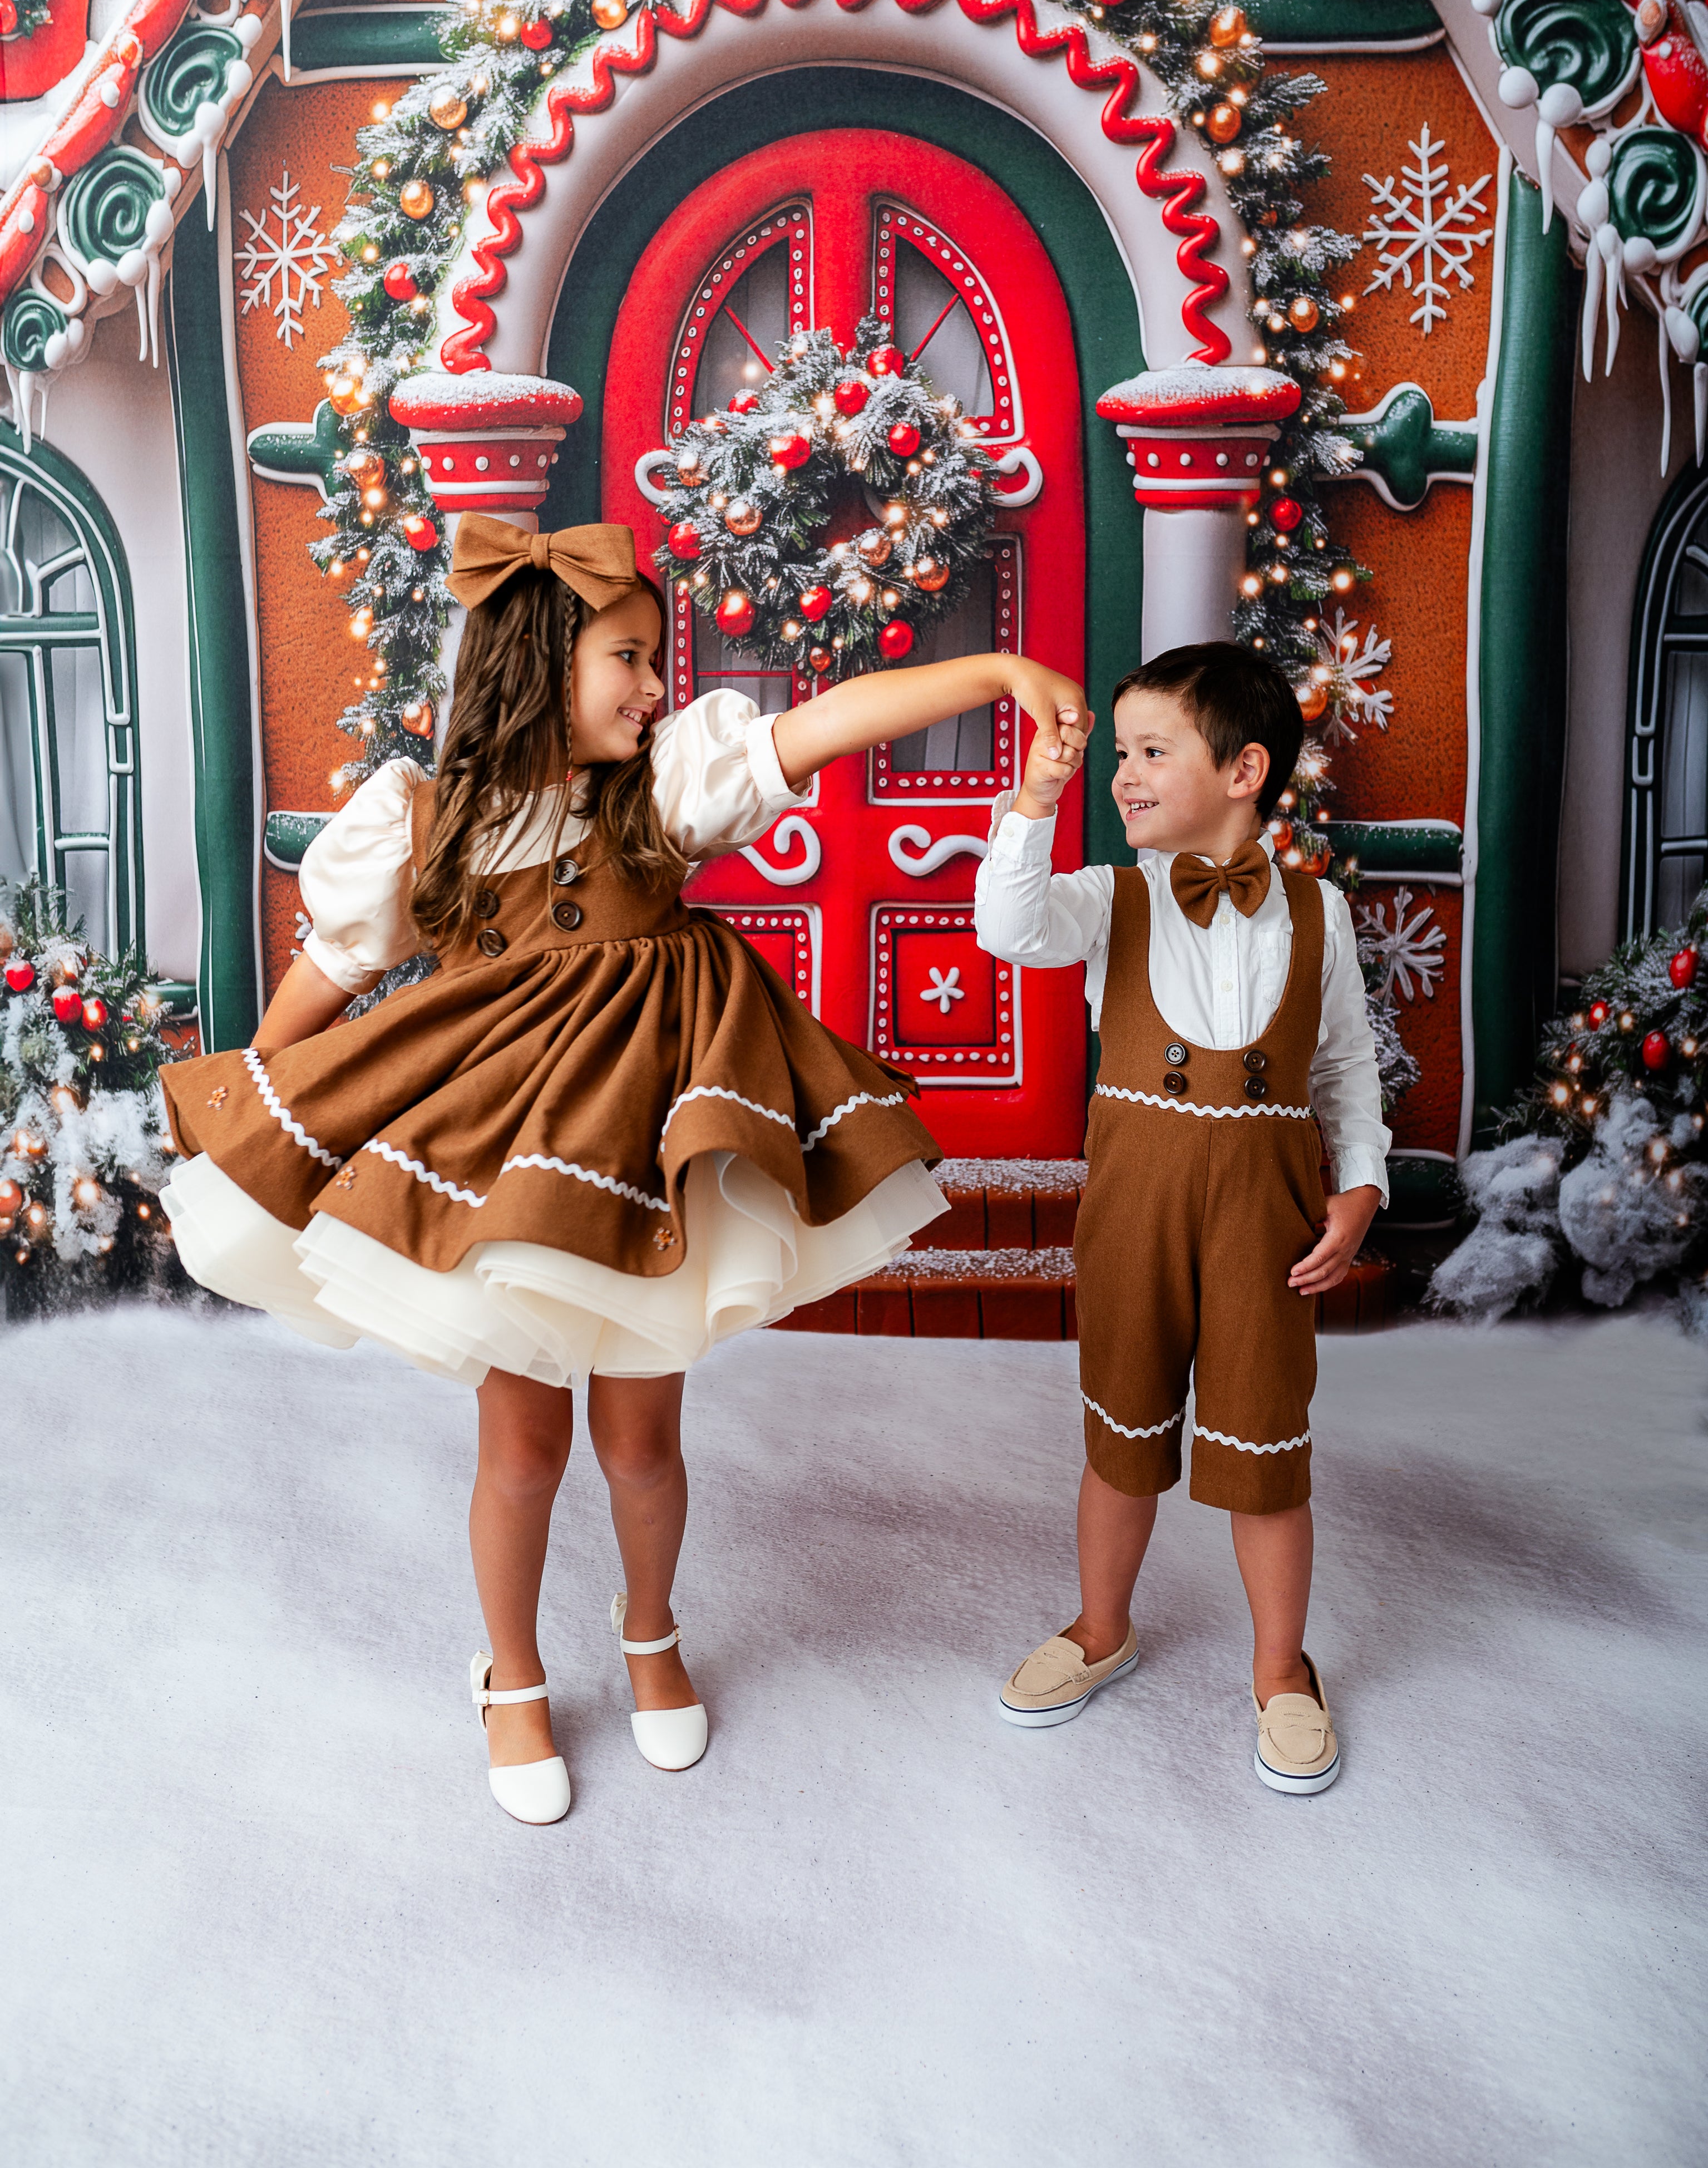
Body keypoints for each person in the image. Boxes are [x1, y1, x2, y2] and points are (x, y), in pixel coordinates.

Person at [161, 515, 1087, 1826]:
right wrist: (256, 1118)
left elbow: (824, 724)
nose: (657, 688)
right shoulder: (421, 822)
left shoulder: (658, 791)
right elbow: (323, 982)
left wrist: (991, 674)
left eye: (658, 662)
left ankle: (649, 1631)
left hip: (650, 1168)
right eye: (630, 658)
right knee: (524, 1443)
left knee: (642, 1444)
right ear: (540, 661)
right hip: (510, 1173)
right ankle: (515, 1674)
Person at [974, 640, 1389, 1793]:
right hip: (1137, 1203)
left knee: (1265, 1450)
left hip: (1262, 1210)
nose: (1125, 774)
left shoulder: (1316, 916)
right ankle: (1102, 1628)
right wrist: (1036, 797)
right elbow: (1007, 929)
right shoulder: (1111, 899)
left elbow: (1345, 1068)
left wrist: (1358, 1185)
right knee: (1121, 1438)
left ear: (1244, 768)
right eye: (1119, 754)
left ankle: (1278, 1668)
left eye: (1153, 752)